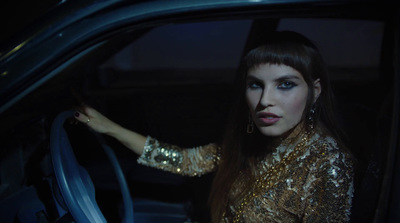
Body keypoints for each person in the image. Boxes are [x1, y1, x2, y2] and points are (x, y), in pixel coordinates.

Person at [74, 31, 354, 222]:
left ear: (314, 91)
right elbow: (185, 161)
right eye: (256, 85)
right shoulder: (251, 140)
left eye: (285, 85)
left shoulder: (328, 162)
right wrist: (108, 127)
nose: (264, 101)